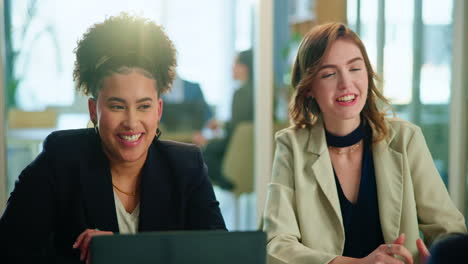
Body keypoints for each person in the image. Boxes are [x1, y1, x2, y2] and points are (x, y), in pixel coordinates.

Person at [0, 13, 226, 263]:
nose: (131, 122)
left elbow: (219, 254)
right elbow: (9, 251)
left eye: (144, 106)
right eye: (117, 106)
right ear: (93, 110)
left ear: (158, 111)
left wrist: (121, 251)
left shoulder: (186, 166)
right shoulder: (59, 160)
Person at [262, 22, 466, 264]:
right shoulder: (291, 147)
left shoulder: (405, 139)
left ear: (367, 74)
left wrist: (438, 259)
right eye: (329, 73)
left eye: (355, 69)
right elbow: (275, 245)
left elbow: (450, 230)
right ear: (309, 89)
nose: (346, 84)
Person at [198, 49, 254, 190]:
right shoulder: (258, 90)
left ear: (245, 67)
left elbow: (235, 131)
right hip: (250, 157)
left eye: (235, 64)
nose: (232, 68)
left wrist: (209, 141)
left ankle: (226, 183)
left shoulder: (241, 93)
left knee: (200, 155)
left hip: (234, 156)